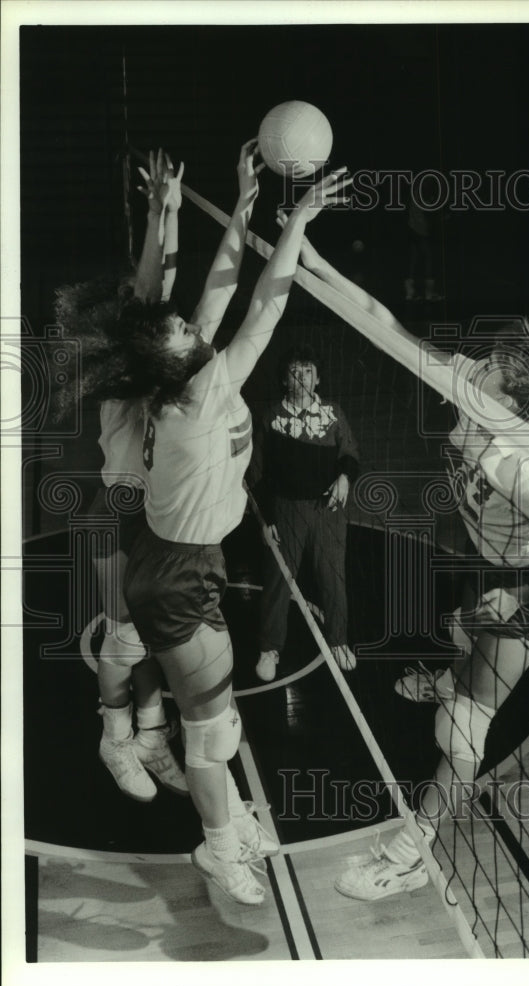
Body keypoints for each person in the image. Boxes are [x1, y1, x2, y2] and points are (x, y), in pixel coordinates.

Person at [274, 231, 529, 900]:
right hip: (493, 567)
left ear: (512, 407)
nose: (474, 379)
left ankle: (409, 854)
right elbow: (385, 325)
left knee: (459, 730)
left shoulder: (527, 472)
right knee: (464, 638)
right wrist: (317, 262)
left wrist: (519, 598)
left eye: (491, 380)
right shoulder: (478, 386)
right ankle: (453, 673)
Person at [118, 145, 351, 907]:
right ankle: (219, 845)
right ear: (183, 362)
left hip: (182, 559)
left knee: (214, 722)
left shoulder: (176, 381)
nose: (192, 327)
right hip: (176, 575)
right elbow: (264, 309)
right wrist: (300, 219)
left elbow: (218, 296)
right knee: (212, 730)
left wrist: (246, 200)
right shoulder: (202, 397)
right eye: (183, 332)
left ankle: (229, 821)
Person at [54, 149, 187, 803]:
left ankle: (153, 737)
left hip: (159, 516)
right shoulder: (121, 372)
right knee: (127, 637)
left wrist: (173, 210)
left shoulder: (159, 360)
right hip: (118, 513)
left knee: (156, 637)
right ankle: (116, 739)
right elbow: (150, 291)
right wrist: (158, 213)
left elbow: (165, 289)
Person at [250, 341, 360, 681]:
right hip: (286, 511)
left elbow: (350, 454)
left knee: (333, 579)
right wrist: (267, 518)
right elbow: (257, 473)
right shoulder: (271, 418)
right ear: (284, 379)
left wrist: (344, 477)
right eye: (294, 372)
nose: (301, 378)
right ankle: (269, 648)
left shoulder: (333, 413)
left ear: (318, 379)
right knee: (278, 581)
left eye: (308, 372)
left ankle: (338, 640)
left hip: (327, 510)